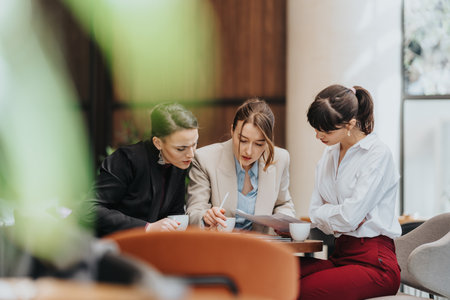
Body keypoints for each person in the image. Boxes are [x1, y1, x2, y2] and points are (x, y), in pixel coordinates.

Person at [299, 85, 402, 300]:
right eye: (316, 129)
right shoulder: (329, 155)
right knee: (274, 271)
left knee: (302, 290)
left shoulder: (377, 154)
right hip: (341, 255)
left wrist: (339, 215)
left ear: (350, 124)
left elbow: (348, 218)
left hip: (376, 264)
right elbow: (315, 211)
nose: (318, 136)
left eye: (326, 131)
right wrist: (341, 215)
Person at [186, 98, 295, 233]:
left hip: (261, 248)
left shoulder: (280, 158)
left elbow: (283, 203)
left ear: (267, 141)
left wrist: (285, 222)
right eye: (243, 140)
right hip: (218, 247)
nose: (248, 151)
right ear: (232, 131)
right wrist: (205, 217)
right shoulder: (205, 159)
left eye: (259, 144)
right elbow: (193, 213)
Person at [92, 103, 198, 237]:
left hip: (153, 245)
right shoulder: (126, 159)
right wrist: (147, 227)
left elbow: (175, 213)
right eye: (181, 148)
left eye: (194, 144)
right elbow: (90, 210)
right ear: (157, 143)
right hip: (114, 245)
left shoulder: (179, 162)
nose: (191, 154)